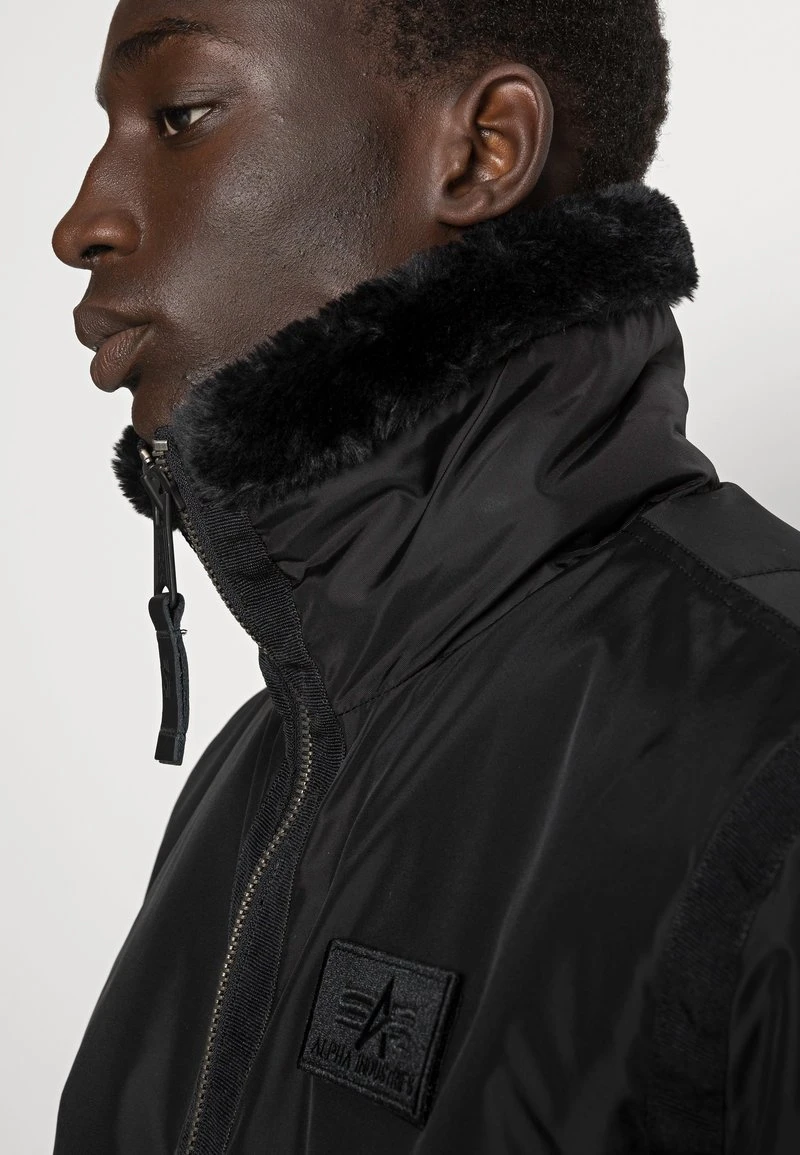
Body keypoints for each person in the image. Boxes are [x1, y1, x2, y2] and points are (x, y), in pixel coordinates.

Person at [51, 0, 800, 1151]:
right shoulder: (258, 768)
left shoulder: (768, 747)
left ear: (481, 150)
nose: (81, 223)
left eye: (183, 113)